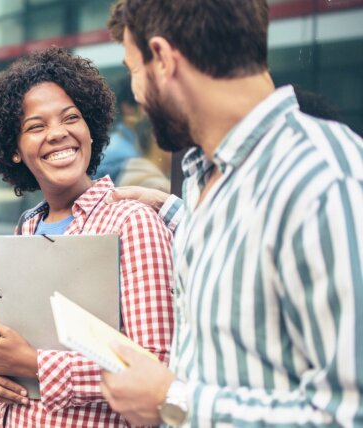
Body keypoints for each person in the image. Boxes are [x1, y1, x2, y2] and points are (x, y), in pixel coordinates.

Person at [100, 1, 363, 426]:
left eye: (134, 70)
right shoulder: (209, 176)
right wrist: (173, 212)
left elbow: (350, 414)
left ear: (164, 59)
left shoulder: (325, 181)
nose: (135, 93)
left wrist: (172, 401)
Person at [0, 47, 174, 427]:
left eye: (70, 118)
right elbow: (8, 342)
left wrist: (35, 364)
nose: (58, 133)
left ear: (91, 129)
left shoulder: (132, 222)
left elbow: (155, 367)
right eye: (36, 126)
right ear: (14, 150)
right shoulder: (27, 227)